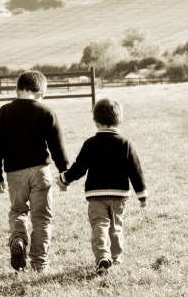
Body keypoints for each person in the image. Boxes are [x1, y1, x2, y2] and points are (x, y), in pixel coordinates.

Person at [57, 98, 147, 275]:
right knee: (116, 226)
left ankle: (102, 256)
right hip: (119, 194)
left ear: (95, 120)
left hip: (96, 194)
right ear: (119, 119)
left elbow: (79, 168)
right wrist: (142, 194)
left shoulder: (90, 143)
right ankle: (117, 258)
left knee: (99, 225)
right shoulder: (125, 143)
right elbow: (136, 170)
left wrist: (64, 179)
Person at [0, 70, 68, 272]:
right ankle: (39, 262)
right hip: (41, 171)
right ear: (41, 92)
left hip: (15, 173)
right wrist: (64, 172)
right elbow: (57, 146)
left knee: (18, 210)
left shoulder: (5, 111)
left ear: (17, 89)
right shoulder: (46, 112)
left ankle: (18, 238)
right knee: (42, 217)